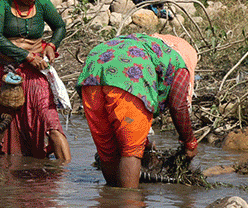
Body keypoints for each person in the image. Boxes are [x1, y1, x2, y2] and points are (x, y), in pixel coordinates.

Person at [77, 33, 199, 188]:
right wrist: (189, 142)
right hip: (129, 74)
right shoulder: (179, 63)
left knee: (108, 151)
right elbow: (178, 106)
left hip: (94, 68)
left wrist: (145, 141)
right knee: (131, 152)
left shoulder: (144, 44)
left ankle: (109, 207)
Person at [0, 0, 71, 161]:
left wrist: (52, 45)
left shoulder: (42, 4)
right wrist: (27, 56)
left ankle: (65, 175)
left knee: (50, 120)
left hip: (35, 70)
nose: (33, 0)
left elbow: (59, 26)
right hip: (5, 69)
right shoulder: (0, 3)